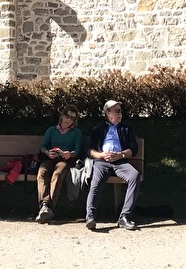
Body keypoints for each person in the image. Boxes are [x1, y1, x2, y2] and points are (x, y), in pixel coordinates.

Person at [86, 99, 139, 231]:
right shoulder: (98, 129)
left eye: (121, 111)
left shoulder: (126, 129)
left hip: (120, 161)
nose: (120, 114)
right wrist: (101, 155)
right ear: (108, 113)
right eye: (117, 111)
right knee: (96, 182)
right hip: (102, 161)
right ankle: (90, 216)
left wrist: (120, 155)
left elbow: (133, 149)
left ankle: (124, 216)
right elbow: (89, 149)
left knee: (135, 175)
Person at [35, 105, 83, 222]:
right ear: (62, 115)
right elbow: (43, 146)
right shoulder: (52, 130)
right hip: (50, 158)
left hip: (65, 160)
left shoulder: (76, 132)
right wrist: (47, 152)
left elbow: (77, 151)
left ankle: (48, 208)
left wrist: (69, 154)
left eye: (72, 119)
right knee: (42, 172)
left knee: (58, 174)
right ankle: (45, 206)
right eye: (67, 116)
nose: (69, 120)